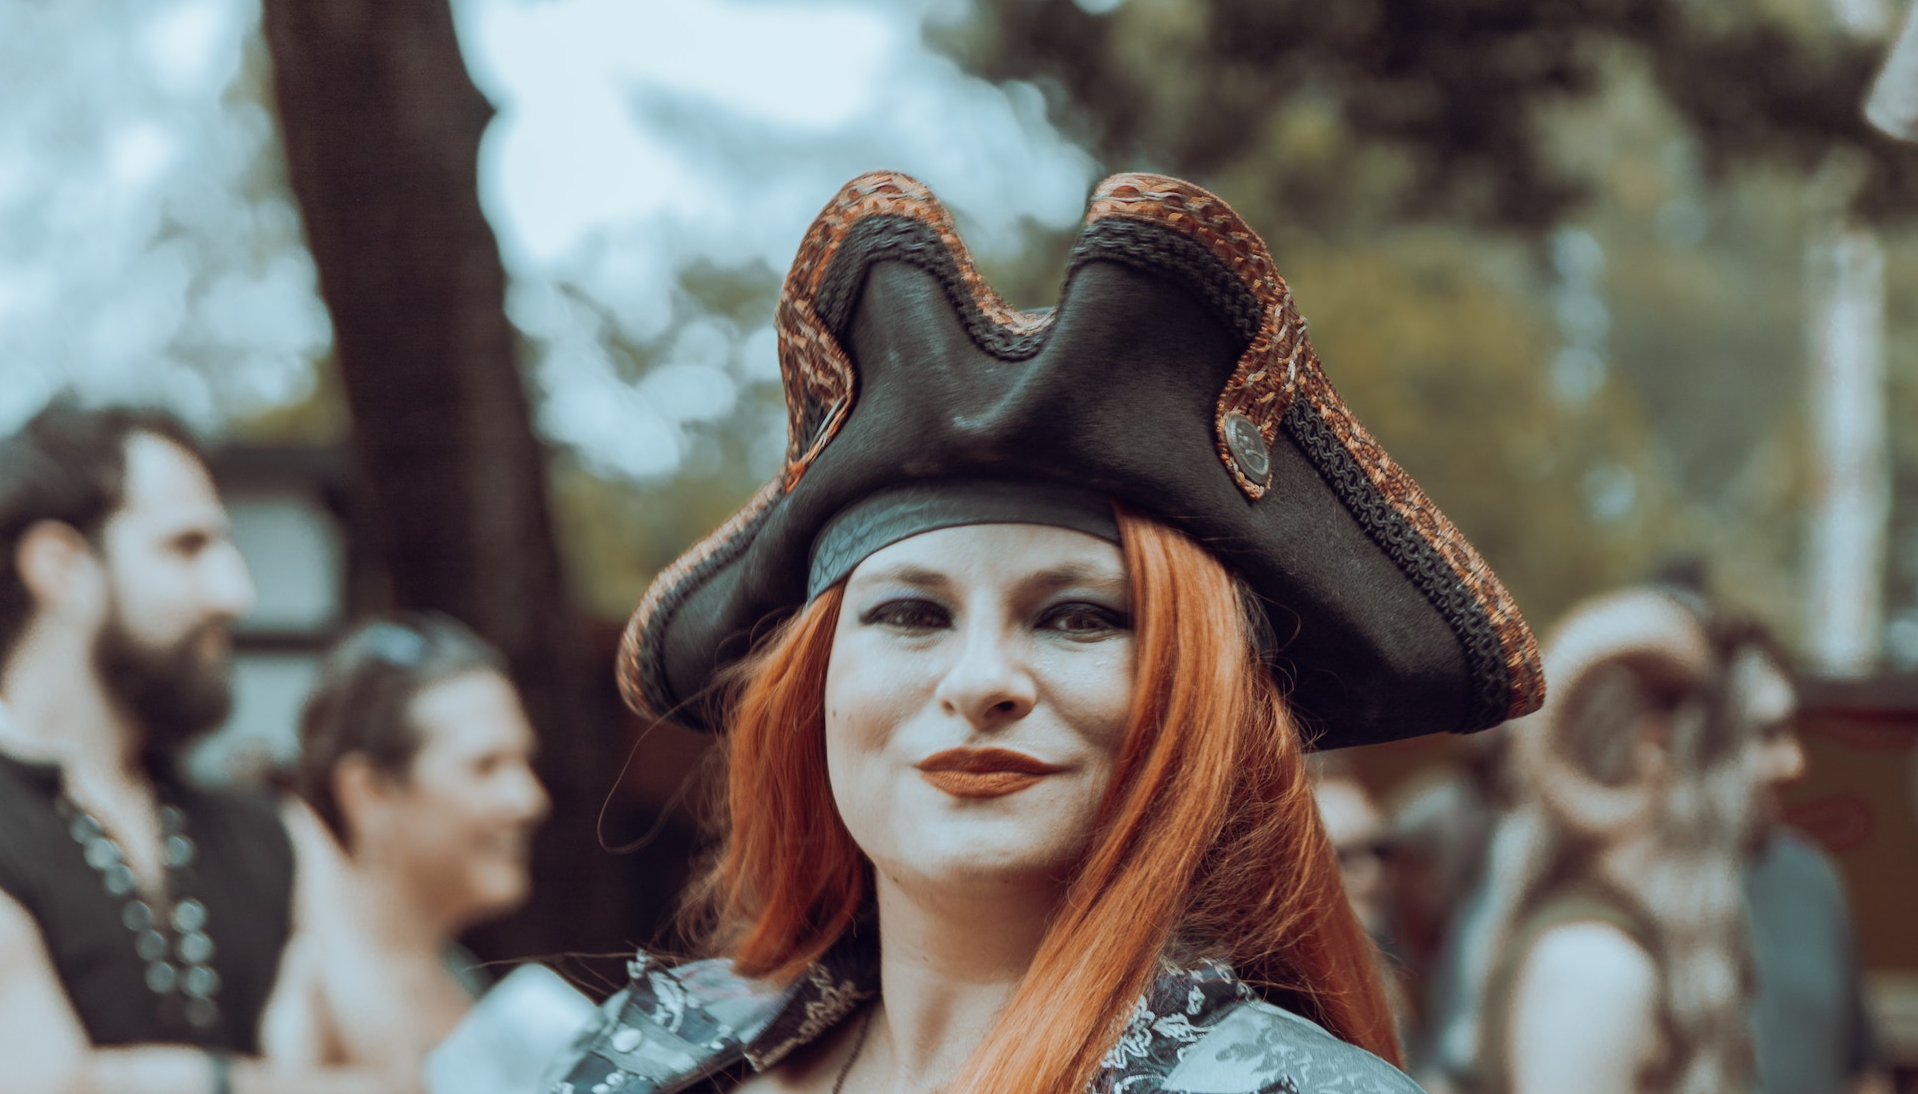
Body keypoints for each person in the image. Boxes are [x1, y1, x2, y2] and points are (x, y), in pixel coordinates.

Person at [540, 170, 1546, 1094]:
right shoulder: (641, 1056)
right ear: (816, 685)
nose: (982, 679)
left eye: (1079, 616)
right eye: (910, 611)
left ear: (1197, 700)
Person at [0, 401, 413, 1094]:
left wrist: (130, 1078)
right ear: (62, 565)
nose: (235, 594)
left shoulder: (274, 830)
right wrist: (281, 1074)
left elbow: (403, 1081)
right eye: (187, 546)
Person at [1469, 588, 1755, 1094]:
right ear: (1656, 746)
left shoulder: (1612, 946)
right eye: (1763, 735)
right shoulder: (1594, 967)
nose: (1791, 764)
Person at [260, 614, 549, 1074]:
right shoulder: (310, 987)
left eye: (525, 763)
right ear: (370, 792)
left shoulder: (462, 977)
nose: (529, 800)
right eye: (485, 766)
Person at [1730, 629, 1890, 1094]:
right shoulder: (1622, 899)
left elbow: (1864, 1070)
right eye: (1766, 733)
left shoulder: (1806, 874)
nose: (1796, 764)